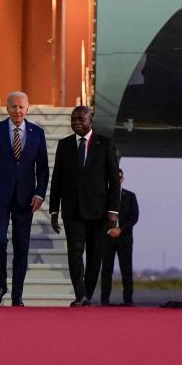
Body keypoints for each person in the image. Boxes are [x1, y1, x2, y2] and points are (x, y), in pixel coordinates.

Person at [0, 91, 49, 307]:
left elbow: (43, 170)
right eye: (13, 107)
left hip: (25, 199)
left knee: (21, 247)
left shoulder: (37, 133)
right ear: (7, 109)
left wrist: (39, 193)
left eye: (21, 107)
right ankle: (1, 284)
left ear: (28, 109)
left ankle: (17, 295)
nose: (17, 111)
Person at [50, 105, 120, 306]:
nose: (76, 123)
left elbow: (114, 181)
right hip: (72, 210)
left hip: (99, 211)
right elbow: (57, 179)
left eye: (81, 119)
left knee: (94, 255)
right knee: (74, 253)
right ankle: (79, 294)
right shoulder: (64, 145)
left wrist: (113, 211)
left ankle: (87, 294)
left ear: (91, 121)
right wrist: (54, 209)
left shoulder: (105, 144)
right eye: (73, 119)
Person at [100, 168, 138, 306]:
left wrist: (120, 229)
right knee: (106, 270)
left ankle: (128, 301)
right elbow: (98, 216)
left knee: (126, 270)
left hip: (124, 238)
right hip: (107, 238)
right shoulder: (103, 196)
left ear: (122, 179)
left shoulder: (130, 196)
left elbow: (134, 217)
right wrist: (109, 230)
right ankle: (104, 301)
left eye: (118, 178)